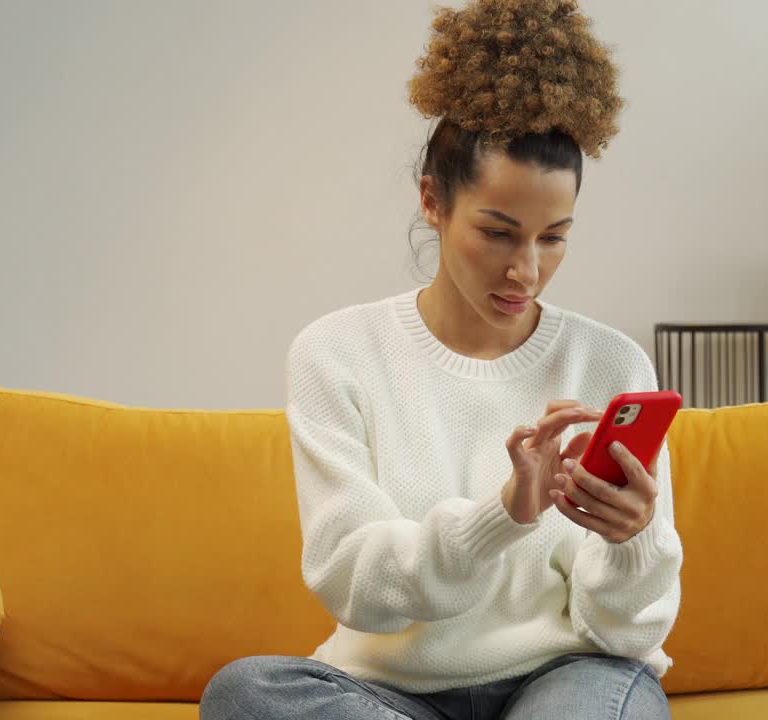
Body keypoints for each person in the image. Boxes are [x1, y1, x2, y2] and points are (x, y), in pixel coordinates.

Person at [200, 1, 681, 717]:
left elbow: (623, 631)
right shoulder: (337, 355)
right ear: (433, 200)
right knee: (243, 694)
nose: (526, 269)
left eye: (553, 237)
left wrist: (634, 543)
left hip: (568, 678)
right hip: (391, 693)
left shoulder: (610, 363)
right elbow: (355, 586)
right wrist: (501, 515)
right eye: (498, 232)